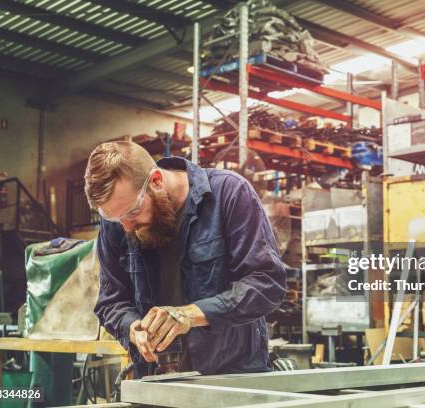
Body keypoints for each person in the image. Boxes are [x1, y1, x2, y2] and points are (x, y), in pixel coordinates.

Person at [84, 141, 286, 378]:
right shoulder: (118, 223)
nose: (126, 227)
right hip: (156, 381)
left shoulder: (229, 194)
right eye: (116, 219)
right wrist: (132, 327)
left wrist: (190, 315)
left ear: (157, 181)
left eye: (132, 213)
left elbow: (267, 283)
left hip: (231, 377)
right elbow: (110, 302)